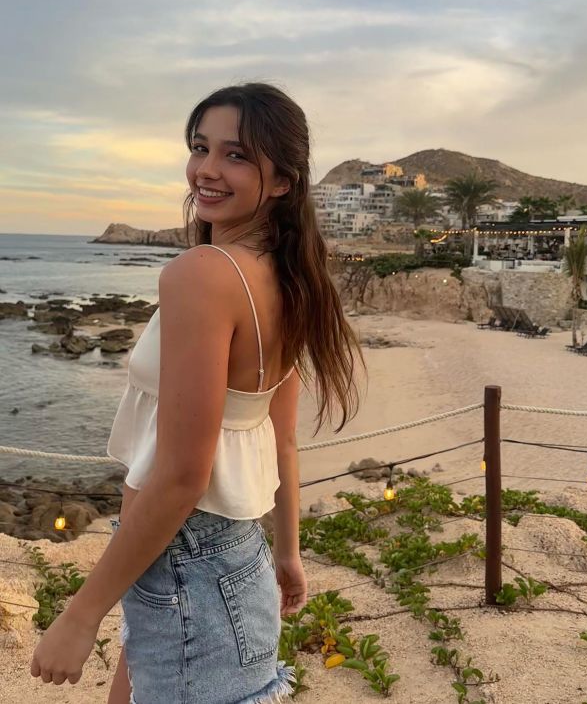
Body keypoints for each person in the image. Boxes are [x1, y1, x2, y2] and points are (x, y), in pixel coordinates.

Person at [30, 83, 367, 703]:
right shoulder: (290, 276)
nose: (206, 170)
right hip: (227, 557)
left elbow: (184, 477)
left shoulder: (204, 273)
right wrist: (286, 552)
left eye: (235, 155)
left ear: (283, 180)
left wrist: (81, 616)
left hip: (185, 562)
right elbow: (282, 438)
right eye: (199, 147)